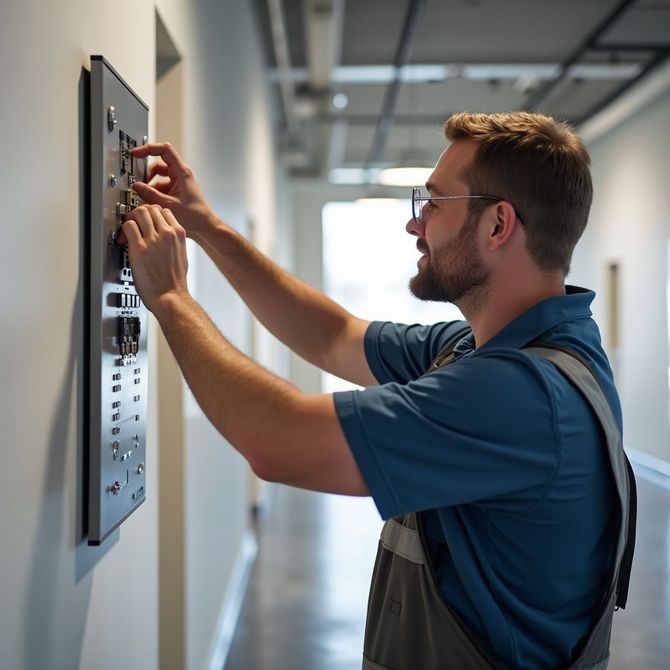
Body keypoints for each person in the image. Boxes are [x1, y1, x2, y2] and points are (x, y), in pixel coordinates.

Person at [118, 111, 633, 670]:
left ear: (497, 225)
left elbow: (279, 444)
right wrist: (207, 227)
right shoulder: (481, 349)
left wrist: (171, 297)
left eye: (434, 203)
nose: (416, 225)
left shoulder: (522, 395)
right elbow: (333, 335)